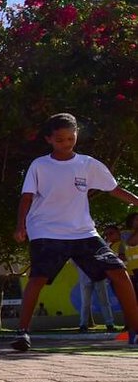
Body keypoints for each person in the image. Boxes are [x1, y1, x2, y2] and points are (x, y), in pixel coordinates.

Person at [12, 113, 138, 351]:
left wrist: (136, 201)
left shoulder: (87, 164)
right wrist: (21, 226)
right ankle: (22, 332)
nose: (66, 144)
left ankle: (135, 330)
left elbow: (114, 189)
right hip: (46, 230)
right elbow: (26, 197)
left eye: (71, 138)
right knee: (38, 278)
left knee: (119, 272)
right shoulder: (40, 165)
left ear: (76, 135)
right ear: (49, 139)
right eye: (60, 140)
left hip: (83, 232)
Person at [75, 264, 115, 332]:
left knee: (104, 301)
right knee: (85, 303)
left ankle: (109, 324)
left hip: (98, 277)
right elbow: (74, 263)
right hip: (85, 278)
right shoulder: (77, 254)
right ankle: (83, 325)